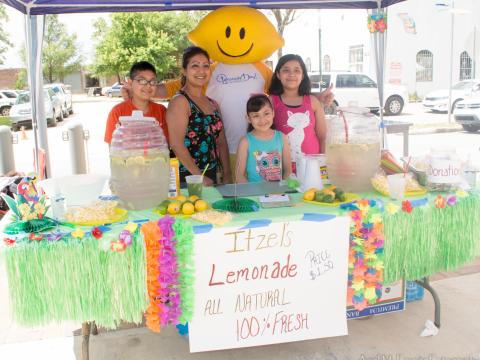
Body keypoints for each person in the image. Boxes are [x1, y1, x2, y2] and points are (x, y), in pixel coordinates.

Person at [166, 46, 232, 186]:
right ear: (184, 70)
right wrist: (199, 177)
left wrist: (227, 174)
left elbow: (221, 142)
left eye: (206, 66)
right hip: (187, 178)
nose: (201, 71)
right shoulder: (180, 101)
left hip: (211, 173)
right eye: (195, 66)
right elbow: (176, 144)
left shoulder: (213, 103)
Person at [269, 54, 327, 173]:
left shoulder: (313, 102)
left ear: (303, 75)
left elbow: (323, 136)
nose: (291, 74)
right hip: (282, 167)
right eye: (286, 70)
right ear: (278, 75)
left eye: (297, 70)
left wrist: (323, 164)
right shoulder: (271, 101)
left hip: (311, 166)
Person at [104, 61, 168, 144]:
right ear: (130, 83)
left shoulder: (161, 111)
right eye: (142, 81)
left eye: (152, 81)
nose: (148, 86)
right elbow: (113, 148)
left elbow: (165, 145)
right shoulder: (118, 112)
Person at [236, 94, 291, 183]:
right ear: (248, 119)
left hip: (277, 194)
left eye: (266, 113)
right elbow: (239, 176)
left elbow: (288, 171)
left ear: (273, 113)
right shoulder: (245, 142)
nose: (262, 120)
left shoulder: (282, 138)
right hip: (254, 195)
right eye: (256, 116)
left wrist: (282, 191)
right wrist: (252, 194)